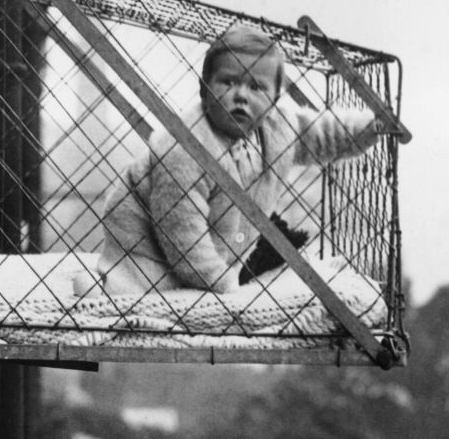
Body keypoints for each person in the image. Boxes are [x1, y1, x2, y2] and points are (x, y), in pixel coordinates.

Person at [77, 24, 382, 297]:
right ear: (204, 91)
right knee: (142, 287)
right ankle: (106, 283)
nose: (241, 96)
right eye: (228, 82)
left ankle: (216, 272)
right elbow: (182, 231)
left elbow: (323, 135)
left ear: (276, 100)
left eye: (256, 87)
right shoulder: (185, 149)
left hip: (220, 239)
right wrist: (219, 282)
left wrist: (369, 128)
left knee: (251, 258)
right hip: (145, 244)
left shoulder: (278, 129)